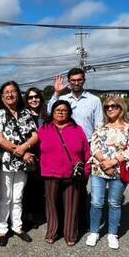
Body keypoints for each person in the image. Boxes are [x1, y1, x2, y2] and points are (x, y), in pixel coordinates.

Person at [87, 96, 129, 250]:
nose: (110, 109)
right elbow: (94, 147)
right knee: (96, 202)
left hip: (119, 171)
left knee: (114, 203)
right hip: (98, 169)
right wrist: (104, 163)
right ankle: (94, 232)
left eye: (114, 106)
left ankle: (112, 233)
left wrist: (113, 162)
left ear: (121, 108)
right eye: (106, 107)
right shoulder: (100, 126)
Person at [37, 100, 90, 246]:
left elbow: (86, 151)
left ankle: (70, 234)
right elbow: (34, 146)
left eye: (64, 110)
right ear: (52, 112)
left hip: (72, 175)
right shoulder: (44, 128)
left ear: (69, 113)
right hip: (50, 173)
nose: (60, 112)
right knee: (51, 205)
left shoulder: (77, 129)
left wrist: (86, 171)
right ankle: (52, 232)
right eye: (57, 110)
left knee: (72, 206)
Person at [0, 81, 38, 246]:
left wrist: (25, 148)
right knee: (5, 197)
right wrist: (18, 151)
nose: (10, 94)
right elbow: (0, 139)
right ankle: (2, 229)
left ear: (18, 94)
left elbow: (35, 135)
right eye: (6, 91)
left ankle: (17, 227)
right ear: (2, 95)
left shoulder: (25, 113)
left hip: (22, 162)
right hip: (6, 161)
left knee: (18, 197)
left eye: (13, 91)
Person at [47, 67, 103, 140]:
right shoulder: (63, 99)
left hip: (88, 142)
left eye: (79, 80)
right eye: (73, 80)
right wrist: (57, 93)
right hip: (66, 142)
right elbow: (50, 112)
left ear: (84, 80)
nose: (76, 83)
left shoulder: (94, 100)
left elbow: (99, 125)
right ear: (69, 81)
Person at [22, 87, 47, 228]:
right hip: (28, 154)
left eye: (36, 97)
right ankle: (27, 217)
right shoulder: (23, 115)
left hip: (44, 155)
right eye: (30, 97)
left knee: (39, 187)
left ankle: (37, 215)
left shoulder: (46, 116)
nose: (33, 100)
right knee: (27, 187)